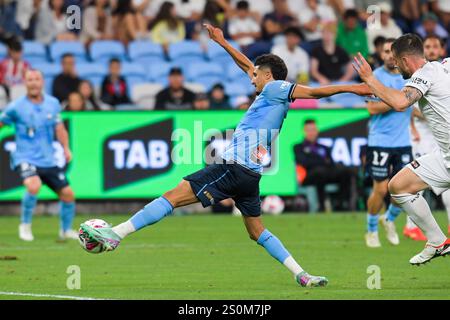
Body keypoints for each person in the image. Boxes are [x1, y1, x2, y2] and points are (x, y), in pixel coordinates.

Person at [79, 23, 371, 287]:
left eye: (256, 75)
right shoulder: (269, 93)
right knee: (257, 231)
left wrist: (354, 88)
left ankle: (116, 234)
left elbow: (316, 92)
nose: (250, 78)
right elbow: (246, 64)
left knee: (171, 197)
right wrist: (222, 41)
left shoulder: (277, 88)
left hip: (232, 167)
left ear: (268, 76)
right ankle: (301, 274)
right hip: (250, 176)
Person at [353, 33, 450, 265]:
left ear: (405, 60)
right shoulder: (444, 65)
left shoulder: (424, 76)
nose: (394, 64)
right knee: (398, 186)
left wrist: (369, 78)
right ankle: (437, 241)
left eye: (396, 60)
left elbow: (399, 103)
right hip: (445, 156)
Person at [0, 69, 77, 241]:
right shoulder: (16, 107)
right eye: (30, 80)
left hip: (47, 159)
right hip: (24, 157)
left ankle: (65, 230)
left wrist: (66, 148)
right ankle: (25, 226)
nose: (33, 83)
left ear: (42, 82)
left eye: (36, 79)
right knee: (33, 185)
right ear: (25, 83)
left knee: (68, 194)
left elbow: (59, 128)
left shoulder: (52, 103)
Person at [362, 38, 414, 248]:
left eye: (394, 52)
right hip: (380, 141)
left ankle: (389, 220)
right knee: (381, 189)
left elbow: (412, 107)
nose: (390, 56)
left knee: (405, 190)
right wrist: (398, 100)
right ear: (380, 53)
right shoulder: (374, 77)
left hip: (403, 141)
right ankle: (371, 229)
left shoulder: (410, 78)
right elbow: (372, 109)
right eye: (386, 52)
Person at [404, 35, 450, 241]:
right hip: (422, 135)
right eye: (428, 46)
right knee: (417, 183)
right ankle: (410, 226)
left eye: (435, 46)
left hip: (439, 137)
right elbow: (407, 106)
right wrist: (413, 126)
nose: (431, 50)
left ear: (441, 49)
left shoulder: (442, 72)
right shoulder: (415, 76)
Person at [293, 119, 354, 212]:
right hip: (308, 176)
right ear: (304, 131)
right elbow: (304, 162)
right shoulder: (298, 147)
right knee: (319, 172)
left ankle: (342, 204)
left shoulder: (324, 147)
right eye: (309, 130)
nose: (311, 133)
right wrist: (322, 161)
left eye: (313, 129)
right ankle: (321, 206)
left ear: (317, 131)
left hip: (326, 173)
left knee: (345, 172)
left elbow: (331, 163)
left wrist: (317, 161)